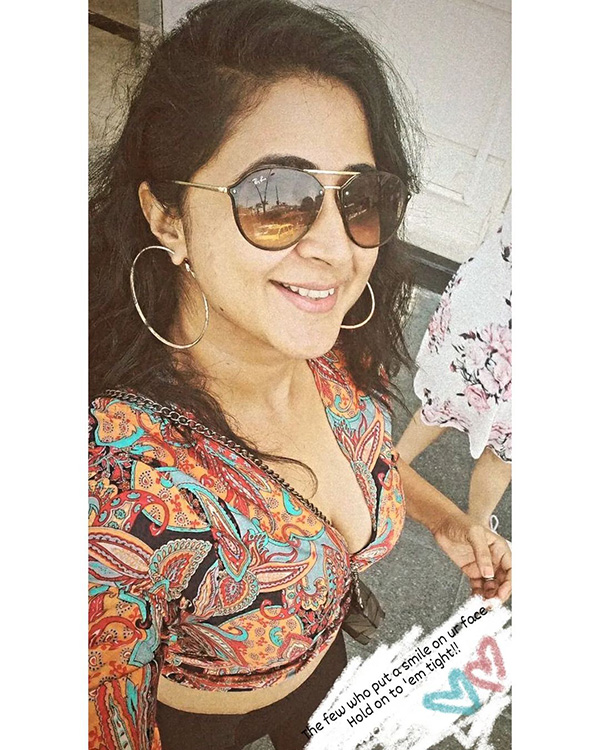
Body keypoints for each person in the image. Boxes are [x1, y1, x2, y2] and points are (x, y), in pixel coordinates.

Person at [88, 2, 512, 748]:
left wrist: (450, 521)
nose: (337, 249)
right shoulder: (112, 491)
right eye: (276, 199)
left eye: (360, 200)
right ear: (168, 218)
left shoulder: (330, 347)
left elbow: (367, 458)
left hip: (326, 671)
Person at [396, 199, 512, 533]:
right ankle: (382, 474)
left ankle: (477, 530)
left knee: (503, 442)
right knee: (449, 404)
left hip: (491, 298)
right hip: (494, 306)